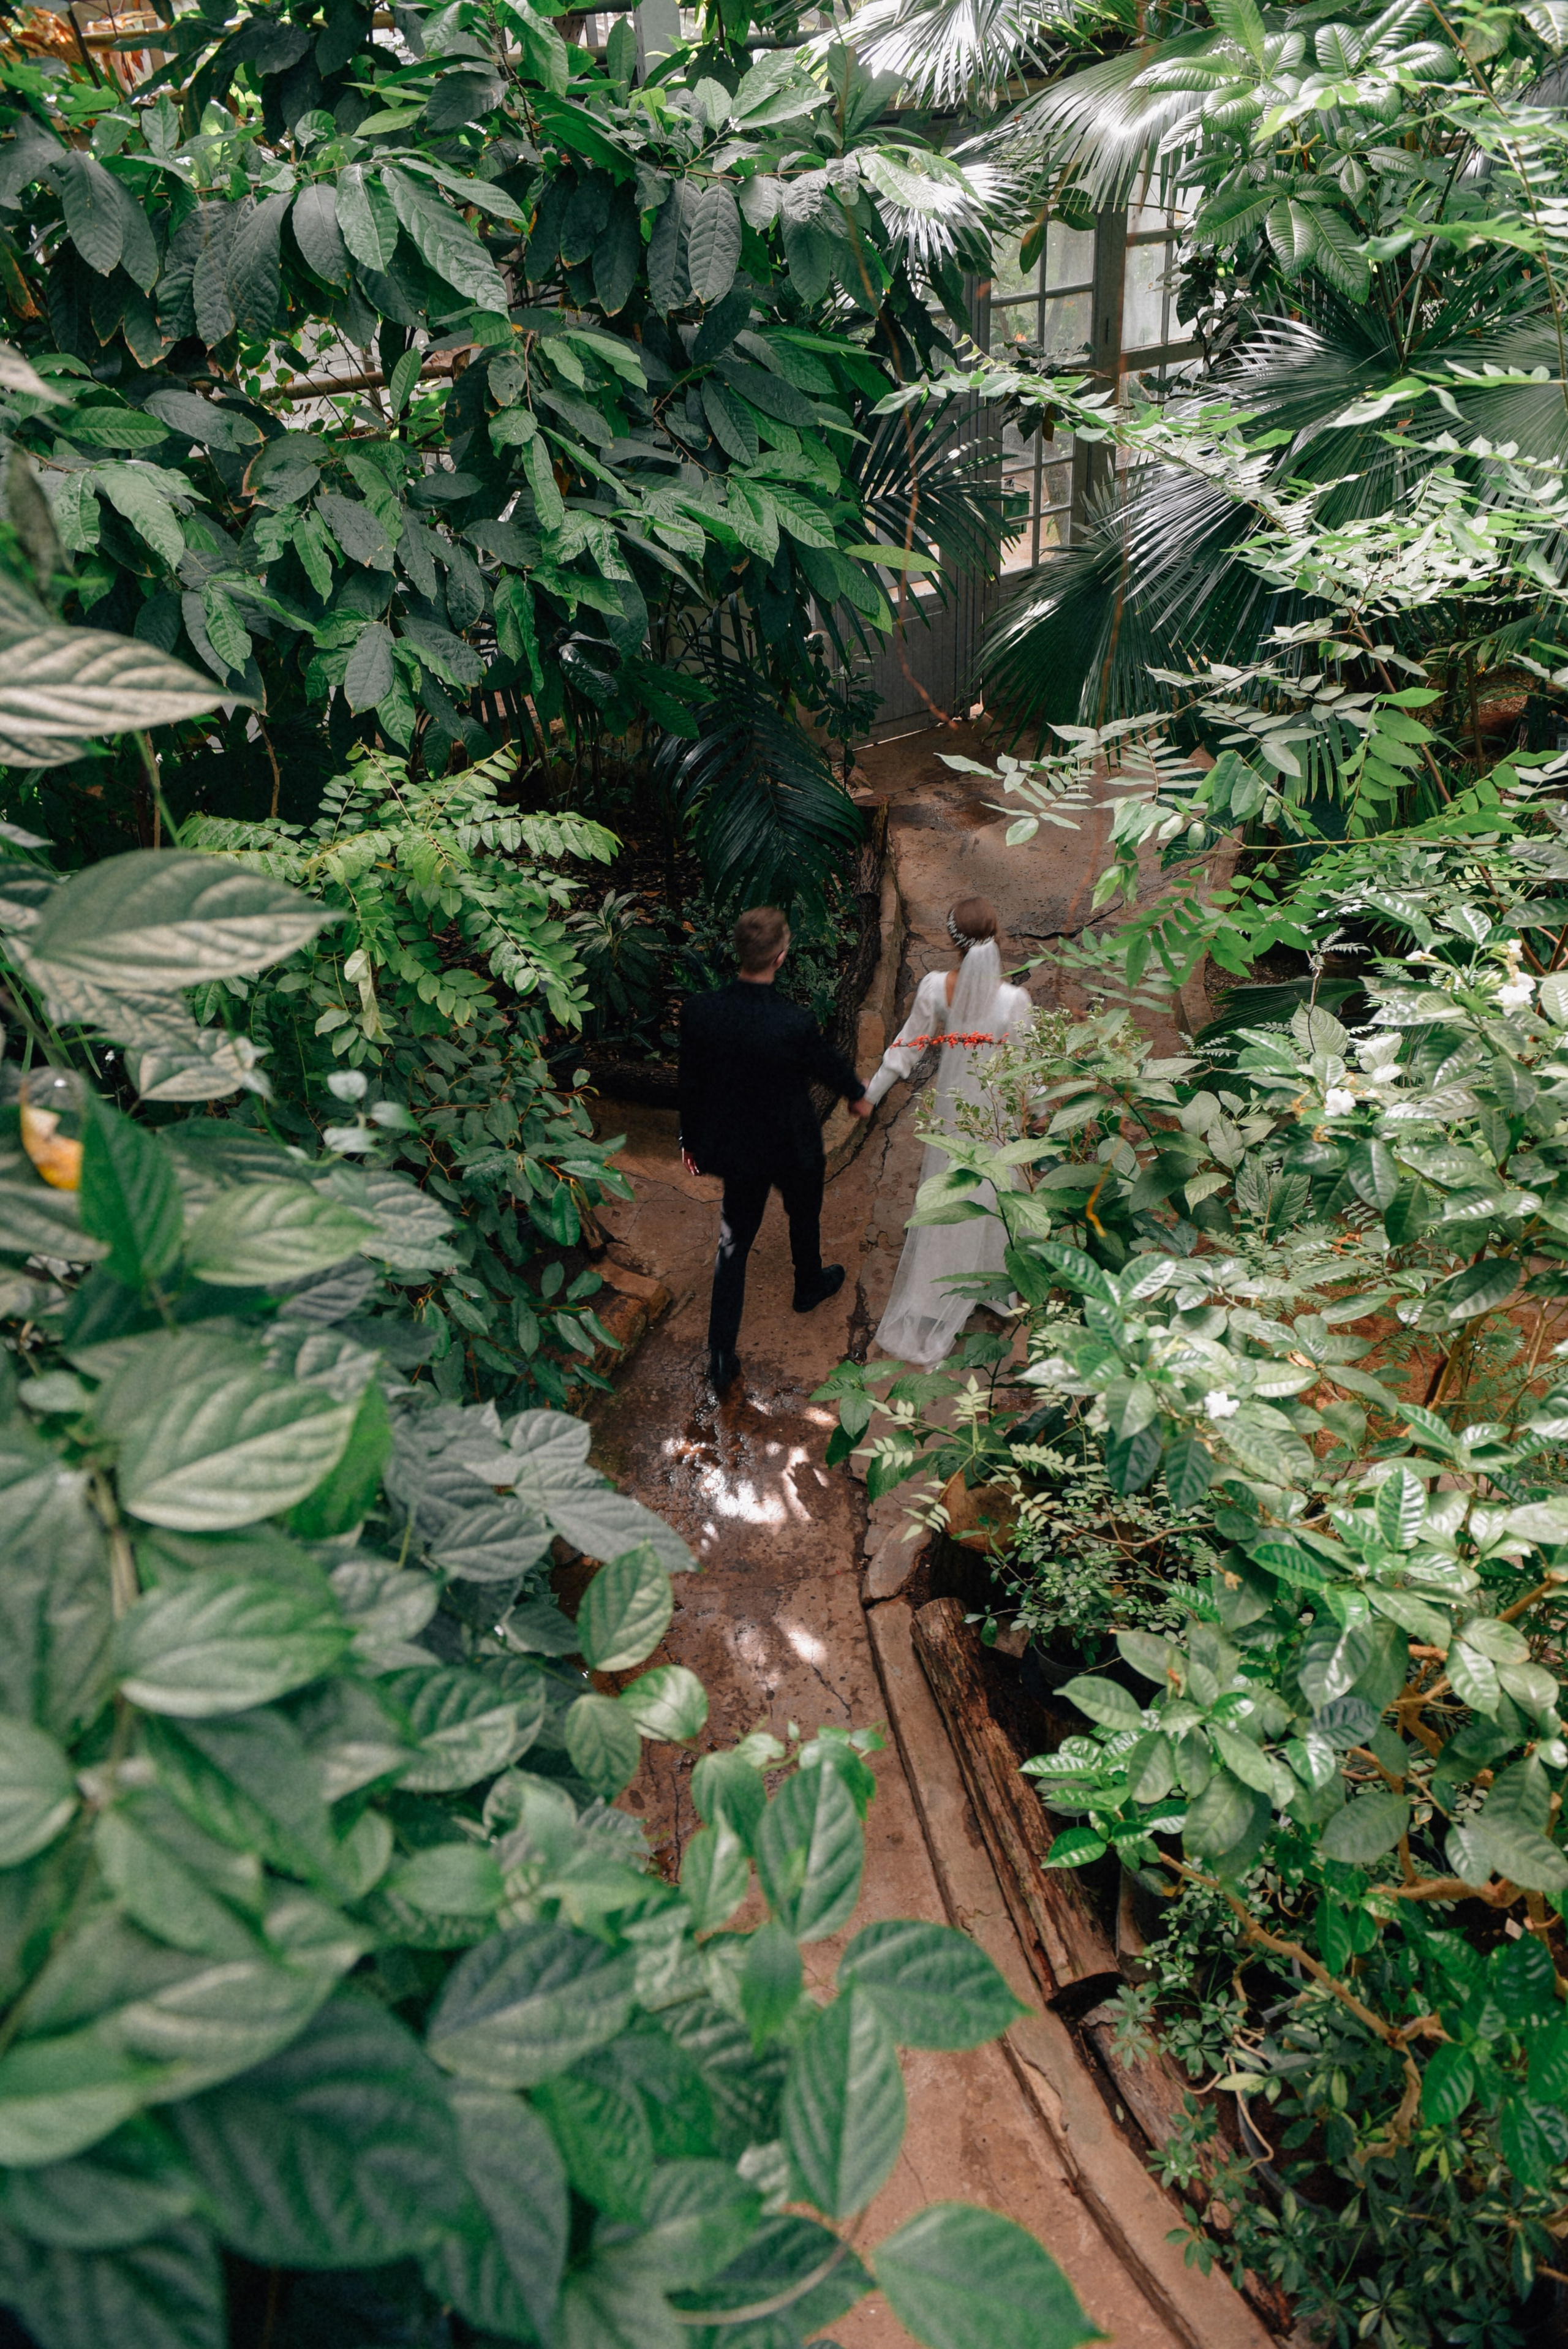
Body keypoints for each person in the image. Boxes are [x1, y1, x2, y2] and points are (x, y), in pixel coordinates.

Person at [679, 905, 872, 1393]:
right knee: (804, 1214)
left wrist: (690, 1139)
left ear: (738, 951)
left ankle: (721, 1356)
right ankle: (808, 1284)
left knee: (733, 1245)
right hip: (792, 1145)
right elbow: (826, 1062)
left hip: (738, 1150)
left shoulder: (701, 1011)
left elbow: (691, 1083)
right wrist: (856, 1093)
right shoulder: (794, 1022)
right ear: (781, 957)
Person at [860, 897, 1033, 1367]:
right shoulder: (1014, 1001)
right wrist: (1032, 1120)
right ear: (996, 936)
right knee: (992, 1193)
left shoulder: (936, 988)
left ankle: (940, 1289)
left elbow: (905, 1050)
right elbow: (1028, 1072)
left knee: (950, 1193)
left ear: (950, 940)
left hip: (954, 1113)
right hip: (994, 1116)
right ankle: (992, 1284)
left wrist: (870, 1095)